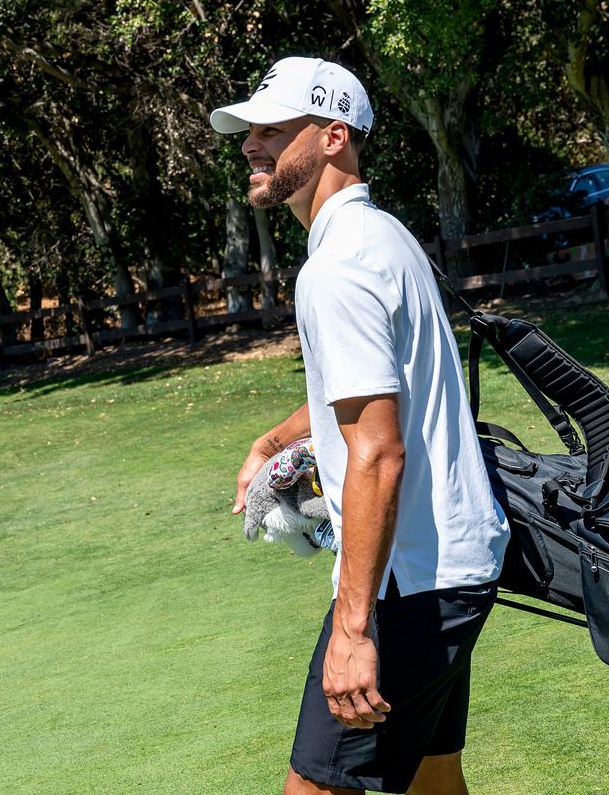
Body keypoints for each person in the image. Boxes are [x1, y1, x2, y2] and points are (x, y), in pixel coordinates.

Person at [212, 56, 510, 795]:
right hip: (448, 567)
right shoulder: (381, 237)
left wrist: (352, 629)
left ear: (335, 135)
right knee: (434, 781)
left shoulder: (337, 267)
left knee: (314, 788)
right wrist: (274, 441)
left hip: (408, 587)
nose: (253, 145)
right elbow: (371, 394)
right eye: (250, 133)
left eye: (274, 130)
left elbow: (378, 450)